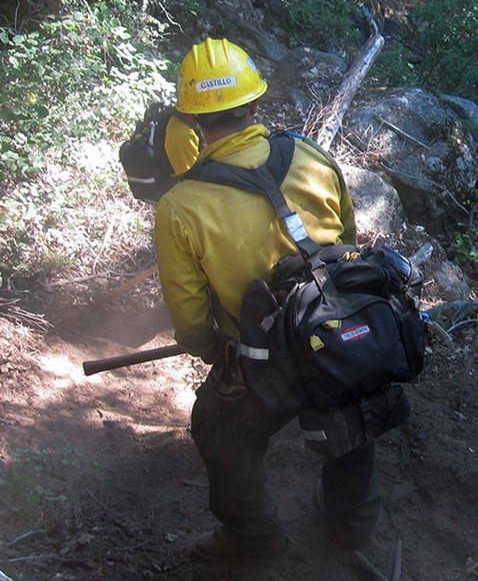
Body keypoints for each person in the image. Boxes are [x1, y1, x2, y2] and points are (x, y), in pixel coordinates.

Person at [153, 37, 377, 562]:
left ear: (189, 120)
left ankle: (253, 537)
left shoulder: (179, 207)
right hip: (335, 334)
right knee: (352, 414)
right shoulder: (313, 156)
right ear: (255, 105)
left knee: (218, 428)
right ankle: (353, 524)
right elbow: (348, 240)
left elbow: (189, 323)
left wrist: (216, 349)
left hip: (261, 359)